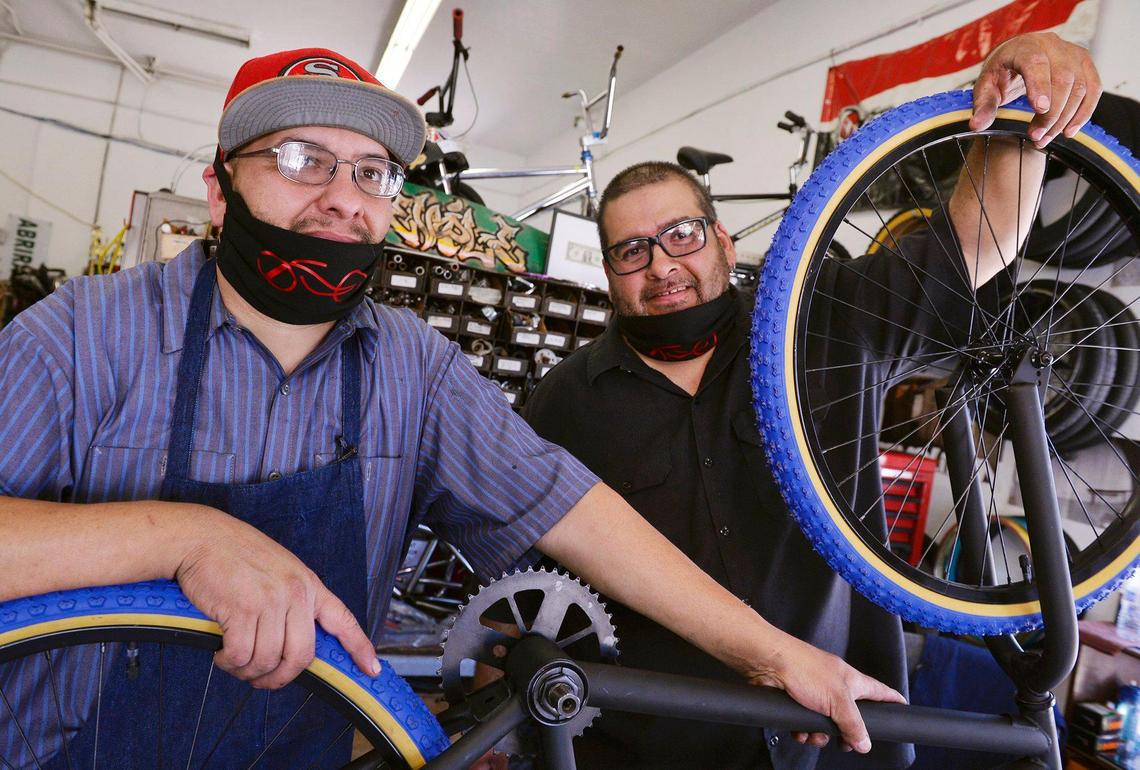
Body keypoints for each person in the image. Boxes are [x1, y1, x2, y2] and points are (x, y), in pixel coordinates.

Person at [0, 47, 905, 768]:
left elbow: (578, 513)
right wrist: (186, 540)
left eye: (371, 172)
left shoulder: (411, 369)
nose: (341, 198)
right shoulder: (82, 337)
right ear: (218, 185)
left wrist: (778, 656)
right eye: (300, 159)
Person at [522, 31, 1101, 770]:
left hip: (838, 742)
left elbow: (971, 248)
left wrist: (1028, 105)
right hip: (649, 746)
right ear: (608, 272)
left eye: (681, 235)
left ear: (725, 243)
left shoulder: (817, 322)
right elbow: (524, 587)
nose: (662, 265)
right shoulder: (565, 402)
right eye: (632, 250)